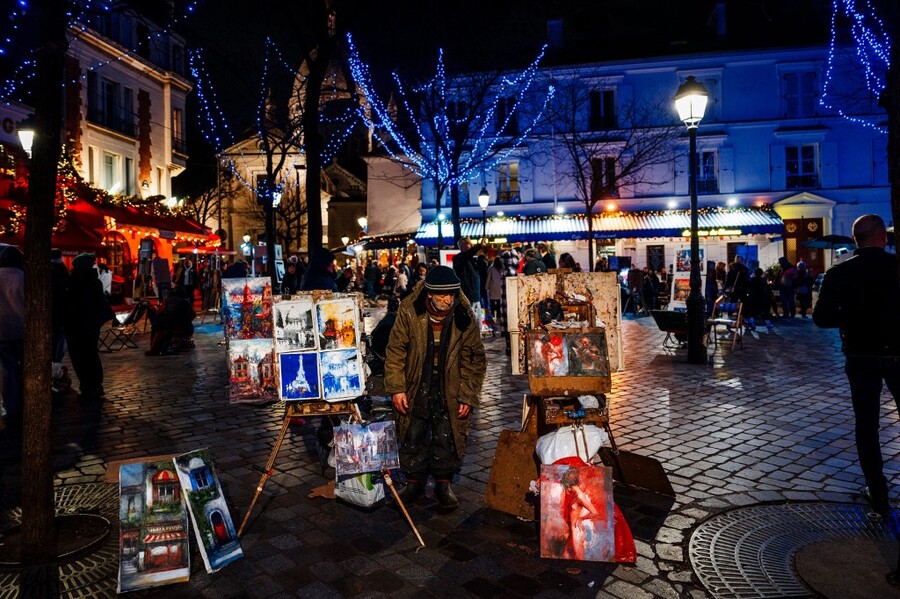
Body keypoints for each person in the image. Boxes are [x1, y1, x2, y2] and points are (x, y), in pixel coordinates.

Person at [813, 214, 900, 519]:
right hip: (896, 354)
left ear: (854, 241)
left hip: (861, 355)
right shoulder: (895, 268)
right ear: (883, 238)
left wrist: (851, 316)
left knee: (867, 426)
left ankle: (877, 491)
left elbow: (821, 317)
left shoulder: (841, 272)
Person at [385, 265, 486, 510]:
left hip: (450, 381)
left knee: (447, 431)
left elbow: (474, 359)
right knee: (413, 431)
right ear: (429, 294)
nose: (448, 300)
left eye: (451, 294)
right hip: (416, 379)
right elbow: (396, 350)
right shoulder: (410, 309)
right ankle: (414, 481)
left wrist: (467, 395)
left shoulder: (463, 314)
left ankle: (443, 483)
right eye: (442, 295)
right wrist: (397, 388)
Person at [66, 253, 115, 400]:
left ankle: (87, 386)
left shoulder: (74, 281)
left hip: (76, 323)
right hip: (92, 324)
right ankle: (96, 385)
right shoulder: (94, 280)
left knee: (79, 355)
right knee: (91, 354)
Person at [0, 245, 25, 418]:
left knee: (7, 369)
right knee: (25, 367)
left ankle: (12, 404)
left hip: (2, 331)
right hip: (22, 329)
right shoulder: (23, 277)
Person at [146, 286, 196, 355]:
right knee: (163, 325)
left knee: (158, 326)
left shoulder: (167, 300)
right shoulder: (187, 302)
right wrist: (186, 320)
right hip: (187, 328)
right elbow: (193, 315)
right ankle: (160, 348)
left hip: (171, 326)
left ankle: (153, 349)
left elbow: (158, 312)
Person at [50, 249, 71, 393]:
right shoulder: (62, 271)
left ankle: (55, 371)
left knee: (56, 345)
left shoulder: (52, 271)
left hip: (55, 316)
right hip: (61, 315)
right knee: (58, 346)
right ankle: (55, 370)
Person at [486, 257, 504, 335]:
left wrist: (486, 287)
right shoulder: (502, 268)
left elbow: (488, 278)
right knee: (500, 305)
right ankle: (500, 321)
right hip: (500, 289)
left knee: (493, 305)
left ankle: (494, 320)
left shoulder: (491, 268)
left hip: (493, 289)